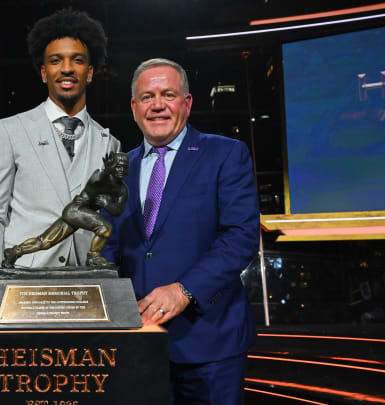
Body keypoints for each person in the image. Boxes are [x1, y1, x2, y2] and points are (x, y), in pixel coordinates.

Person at [102, 58, 259, 404]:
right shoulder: (117, 170)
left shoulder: (225, 154)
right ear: (134, 107)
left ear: (186, 103)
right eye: (147, 97)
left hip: (211, 343)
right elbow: (107, 248)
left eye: (168, 94)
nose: (157, 105)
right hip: (137, 343)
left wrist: (185, 289)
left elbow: (241, 236)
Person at [0, 8, 120, 282]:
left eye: (77, 60)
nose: (66, 68)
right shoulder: (9, 131)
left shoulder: (109, 143)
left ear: (89, 73)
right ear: (43, 72)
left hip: (82, 288)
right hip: (22, 282)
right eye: (55, 60)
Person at [2, 152, 128, 268]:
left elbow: (118, 211)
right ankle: (93, 256)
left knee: (45, 242)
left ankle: (14, 252)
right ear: (112, 166)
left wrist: (106, 204)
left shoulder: (122, 190)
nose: (121, 170)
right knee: (105, 227)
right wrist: (106, 171)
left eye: (124, 167)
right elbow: (99, 178)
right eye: (118, 166)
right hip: (75, 210)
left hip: (81, 215)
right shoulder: (99, 177)